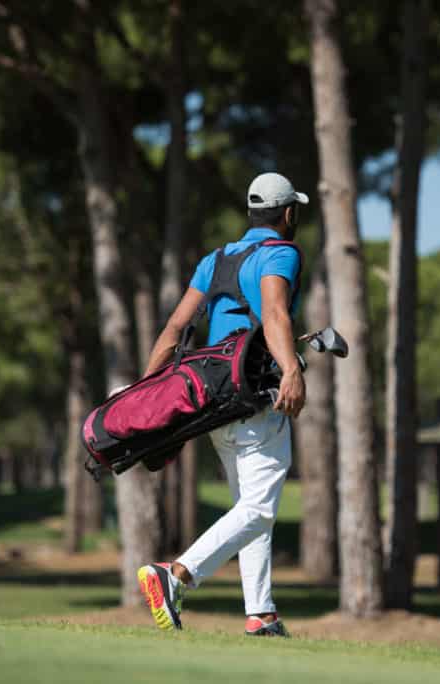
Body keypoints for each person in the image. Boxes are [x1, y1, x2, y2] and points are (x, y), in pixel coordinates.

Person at [136, 172, 309, 637]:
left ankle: (262, 613)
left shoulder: (216, 259)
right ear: (288, 213)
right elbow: (274, 313)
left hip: (215, 405)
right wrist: (291, 370)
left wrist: (145, 395)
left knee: (249, 507)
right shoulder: (281, 253)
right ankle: (176, 575)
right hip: (257, 401)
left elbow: (174, 330)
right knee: (258, 510)